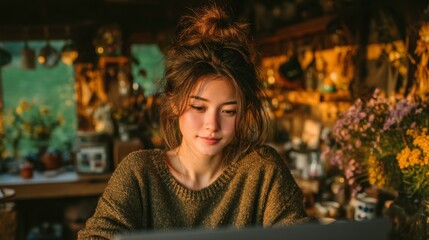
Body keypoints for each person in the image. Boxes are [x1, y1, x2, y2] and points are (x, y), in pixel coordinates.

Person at [78, 4, 309, 239]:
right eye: (199, 107)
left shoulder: (263, 170)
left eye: (229, 111)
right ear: (175, 102)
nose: (212, 125)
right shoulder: (139, 173)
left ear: (245, 112)